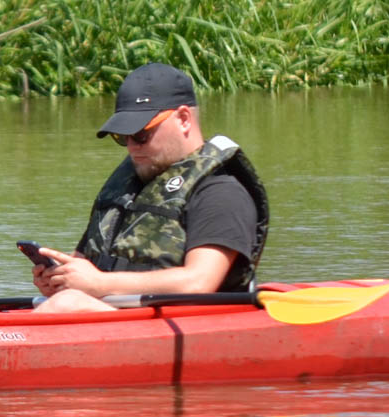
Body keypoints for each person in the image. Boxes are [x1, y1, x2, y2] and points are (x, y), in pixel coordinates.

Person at [33, 62, 269, 313]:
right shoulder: (126, 190)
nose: (132, 146)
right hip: (116, 318)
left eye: (142, 133)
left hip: (183, 324)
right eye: (122, 137)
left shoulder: (221, 193)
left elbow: (199, 281)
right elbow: (85, 267)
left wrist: (98, 283)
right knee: (65, 300)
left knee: (68, 305)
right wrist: (61, 279)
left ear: (183, 119)